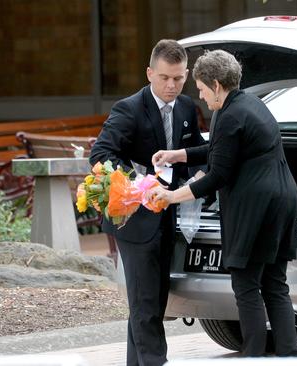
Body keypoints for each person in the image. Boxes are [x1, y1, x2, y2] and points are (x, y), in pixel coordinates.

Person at [148, 49, 297, 357]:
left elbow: (218, 174)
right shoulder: (249, 104)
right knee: (274, 284)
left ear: (216, 85)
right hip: (284, 199)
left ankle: (253, 357)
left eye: (202, 90)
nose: (202, 97)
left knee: (246, 287)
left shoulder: (229, 115)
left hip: (257, 206)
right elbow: (218, 149)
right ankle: (289, 356)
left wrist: (171, 197)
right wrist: (178, 155)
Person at [89, 39, 205, 366]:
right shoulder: (129, 108)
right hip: (134, 218)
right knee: (144, 303)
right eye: (165, 78)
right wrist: (140, 183)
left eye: (179, 78)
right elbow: (100, 155)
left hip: (168, 214)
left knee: (152, 302)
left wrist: (198, 177)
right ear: (150, 73)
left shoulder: (185, 108)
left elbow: (195, 152)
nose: (172, 86)